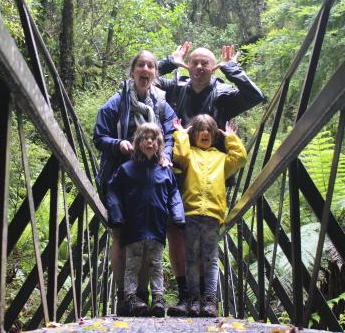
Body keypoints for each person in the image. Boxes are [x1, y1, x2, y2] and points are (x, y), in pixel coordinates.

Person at [156, 42, 266, 315]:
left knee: (205, 243)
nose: (200, 67)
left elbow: (255, 95)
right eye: (194, 62)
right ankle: (186, 296)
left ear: (213, 66)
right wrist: (171, 60)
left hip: (209, 177)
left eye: (206, 63)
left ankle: (207, 300)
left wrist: (232, 69)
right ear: (188, 65)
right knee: (177, 237)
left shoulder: (223, 94)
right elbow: (141, 78)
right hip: (176, 172)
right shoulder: (176, 88)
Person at [93, 50, 177, 314]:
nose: (146, 69)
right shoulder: (116, 103)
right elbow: (99, 137)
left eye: (151, 66)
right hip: (121, 179)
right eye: (141, 65)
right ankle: (124, 295)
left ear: (155, 74)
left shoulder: (162, 105)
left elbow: (172, 134)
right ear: (133, 72)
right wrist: (119, 144)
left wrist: (166, 156)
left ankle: (140, 295)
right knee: (121, 235)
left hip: (150, 179)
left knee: (146, 235)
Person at [106, 123, 185, 317]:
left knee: (156, 265)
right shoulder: (126, 169)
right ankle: (130, 298)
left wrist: (178, 215)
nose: (149, 142)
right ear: (138, 142)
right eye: (144, 138)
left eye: (153, 139)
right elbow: (112, 190)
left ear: (159, 143)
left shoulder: (165, 170)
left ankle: (158, 299)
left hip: (157, 228)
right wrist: (116, 215)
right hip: (134, 227)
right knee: (132, 265)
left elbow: (174, 194)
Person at [172, 114, 247, 317]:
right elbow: (178, 156)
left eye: (208, 131)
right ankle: (194, 300)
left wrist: (230, 137)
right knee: (192, 258)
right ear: (194, 135)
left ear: (214, 136)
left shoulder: (221, 159)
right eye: (198, 130)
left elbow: (240, 158)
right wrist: (181, 134)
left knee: (210, 259)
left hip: (212, 214)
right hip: (191, 212)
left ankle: (210, 301)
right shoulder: (190, 155)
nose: (204, 133)